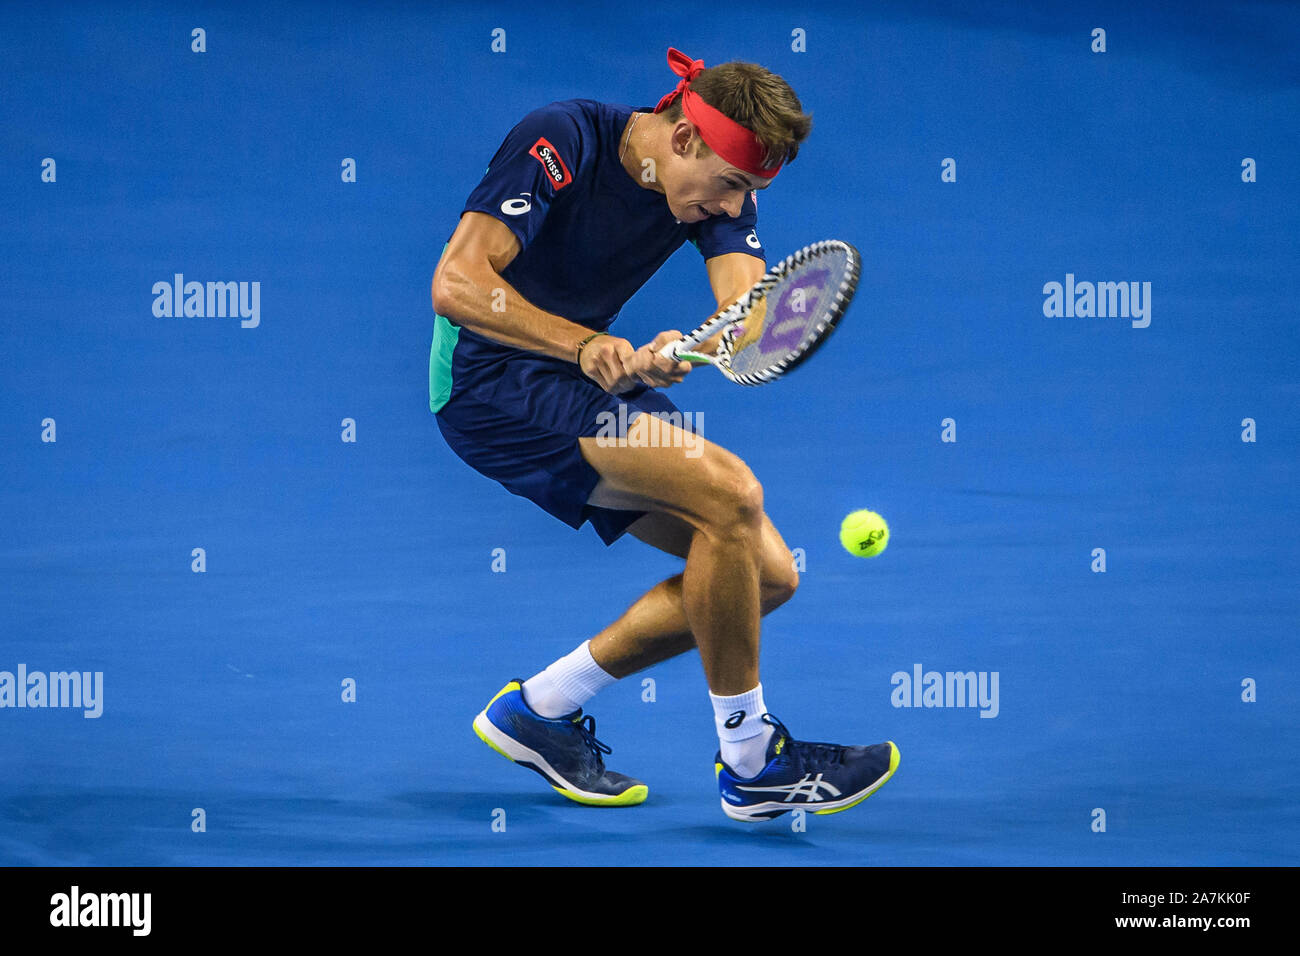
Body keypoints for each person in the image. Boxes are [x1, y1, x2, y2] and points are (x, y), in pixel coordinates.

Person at [430, 48, 899, 821]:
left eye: (745, 193)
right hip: (490, 387)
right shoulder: (560, 139)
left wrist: (701, 342)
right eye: (727, 186)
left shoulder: (717, 191)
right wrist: (584, 344)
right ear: (682, 139)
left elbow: (745, 316)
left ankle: (540, 711)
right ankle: (752, 762)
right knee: (730, 492)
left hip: (577, 383)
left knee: (764, 575)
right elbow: (457, 282)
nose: (730, 208)